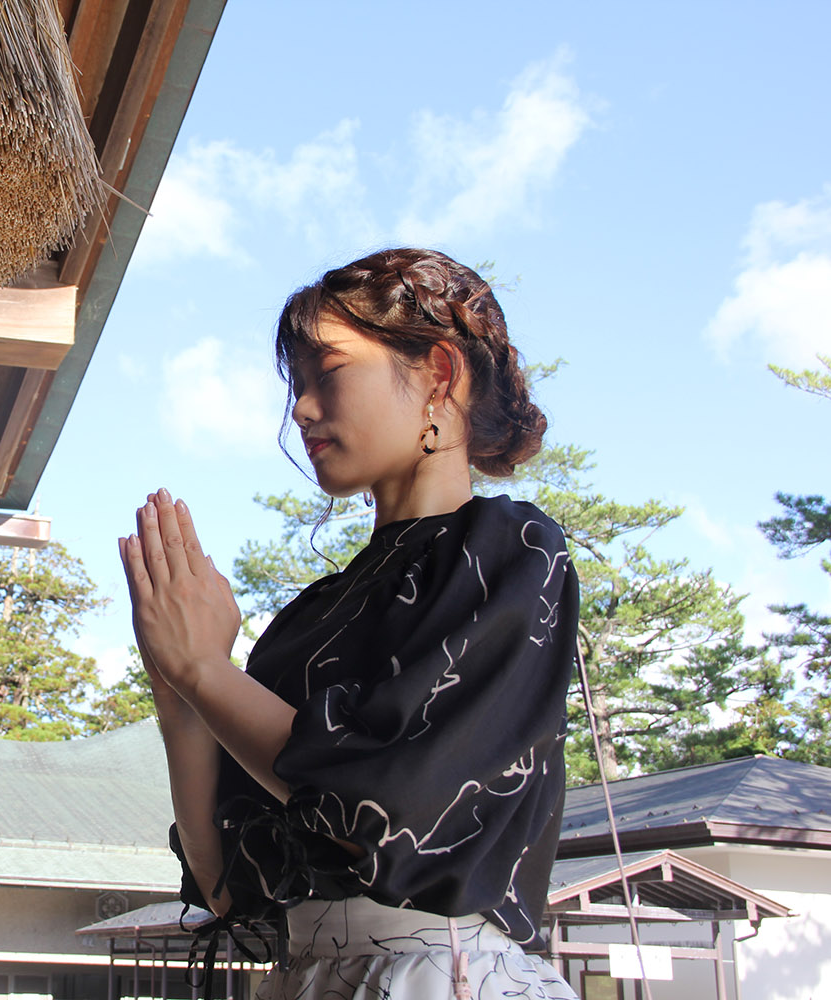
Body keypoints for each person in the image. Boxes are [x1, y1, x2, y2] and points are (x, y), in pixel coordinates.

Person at [119, 248, 580, 999]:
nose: (300, 408)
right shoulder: (311, 615)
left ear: (438, 373)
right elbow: (230, 890)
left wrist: (208, 672)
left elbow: (380, 809)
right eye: (295, 386)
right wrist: (182, 699)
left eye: (326, 373)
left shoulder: (512, 551)